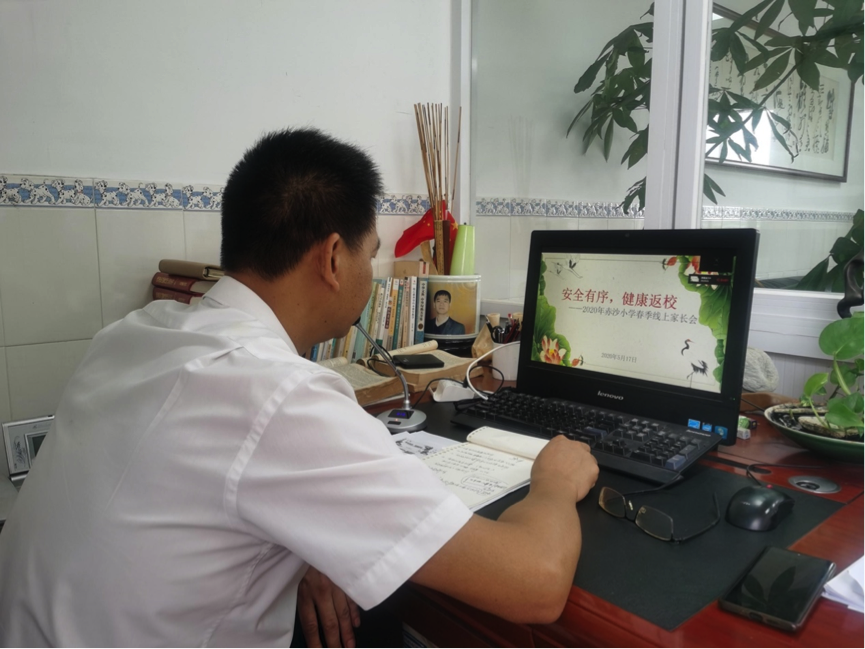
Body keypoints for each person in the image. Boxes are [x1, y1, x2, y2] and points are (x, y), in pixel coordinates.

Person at [0, 128, 598, 649]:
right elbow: (536, 583)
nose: (370, 274)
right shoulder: (278, 395)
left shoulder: (137, 333)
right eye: (371, 256)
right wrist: (553, 481)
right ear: (333, 258)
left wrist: (305, 542)